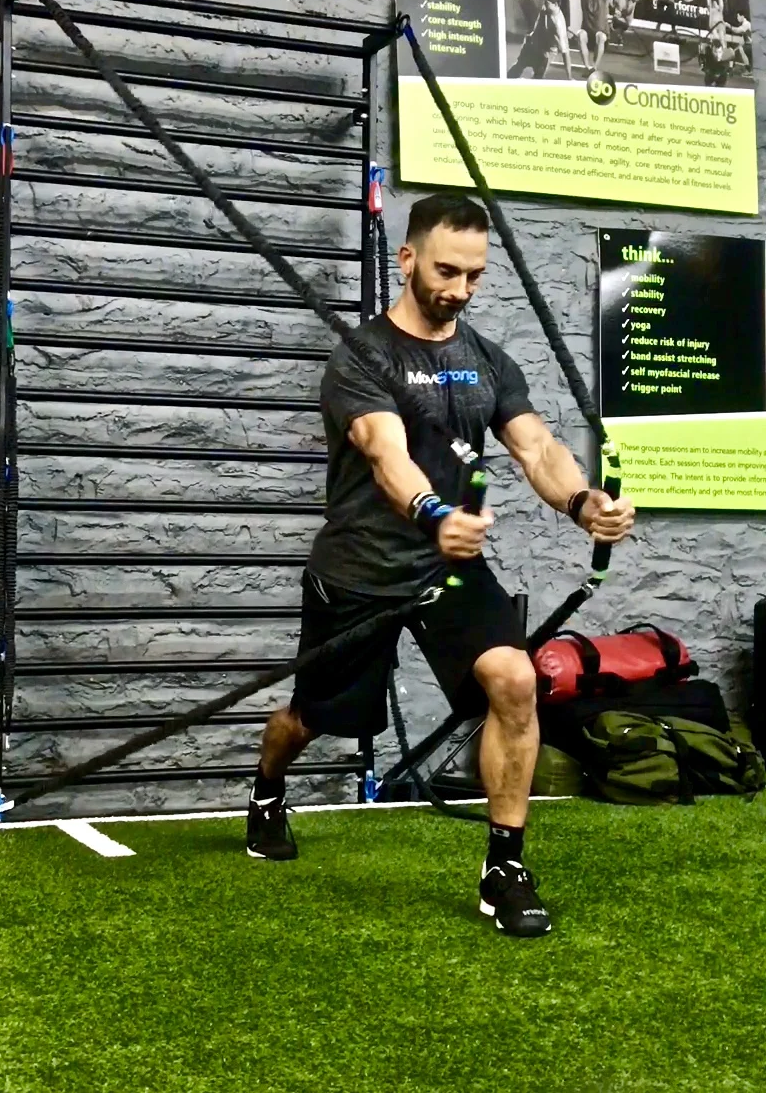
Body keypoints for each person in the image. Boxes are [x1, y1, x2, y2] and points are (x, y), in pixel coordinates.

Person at [245, 194, 636, 939]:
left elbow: (536, 448)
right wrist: (432, 512)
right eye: (446, 271)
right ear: (407, 259)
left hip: (449, 571)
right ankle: (267, 789)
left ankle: (504, 867)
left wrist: (583, 501)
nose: (459, 288)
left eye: (474, 275)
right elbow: (383, 451)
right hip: (361, 571)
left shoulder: (485, 360)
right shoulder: (363, 356)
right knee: (312, 720)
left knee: (514, 680)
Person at [508, 0, 574, 80]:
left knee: (537, 77)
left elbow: (565, 52)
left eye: (546, 2)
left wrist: (569, 77)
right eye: (543, 1)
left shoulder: (558, 25)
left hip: (546, 53)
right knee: (518, 66)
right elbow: (538, 24)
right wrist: (531, 37)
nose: (543, 5)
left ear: (555, 4)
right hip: (534, 44)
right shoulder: (546, 9)